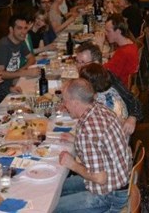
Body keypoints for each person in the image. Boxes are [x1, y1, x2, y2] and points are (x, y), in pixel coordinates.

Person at [54, 79, 132, 212]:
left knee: (51, 208)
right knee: (56, 187)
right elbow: (99, 143)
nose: (64, 105)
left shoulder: (88, 130)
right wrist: (76, 140)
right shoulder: (99, 109)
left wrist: (72, 164)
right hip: (119, 181)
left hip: (109, 196)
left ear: (75, 102)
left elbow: (100, 178)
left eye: (65, 100)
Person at [75, 42, 143, 135]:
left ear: (96, 63)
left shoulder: (108, 79)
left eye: (83, 62)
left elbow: (132, 99)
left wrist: (133, 117)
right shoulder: (88, 78)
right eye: (77, 61)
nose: (78, 66)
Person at [0, 14, 40, 88]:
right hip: (0, 89)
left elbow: (31, 58)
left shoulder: (20, 41)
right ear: (11, 29)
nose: (24, 32)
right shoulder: (3, 46)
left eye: (25, 28)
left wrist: (21, 71)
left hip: (13, 83)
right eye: (19, 28)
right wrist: (23, 73)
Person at [94, 13, 139, 87]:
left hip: (118, 87)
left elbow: (100, 73)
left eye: (108, 31)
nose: (106, 34)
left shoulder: (123, 53)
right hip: (120, 82)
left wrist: (99, 46)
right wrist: (108, 54)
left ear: (118, 31)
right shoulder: (130, 43)